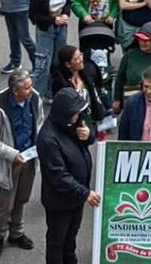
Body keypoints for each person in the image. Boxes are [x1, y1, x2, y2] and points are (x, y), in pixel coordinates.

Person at [0, 69, 44, 260]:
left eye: (31, 85)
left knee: (22, 199)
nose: (32, 90)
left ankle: (16, 233)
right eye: (27, 88)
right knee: (6, 205)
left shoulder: (35, 99)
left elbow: (39, 123)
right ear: (16, 91)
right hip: (10, 163)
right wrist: (12, 154)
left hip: (29, 159)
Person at [36, 89, 99, 264]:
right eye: (75, 113)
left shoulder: (72, 123)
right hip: (60, 203)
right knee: (57, 243)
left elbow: (91, 131)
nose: (78, 116)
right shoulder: (48, 139)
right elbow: (58, 176)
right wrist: (85, 193)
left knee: (70, 239)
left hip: (76, 198)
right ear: (64, 113)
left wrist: (88, 135)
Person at [30, 0, 72, 100]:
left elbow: (68, 2)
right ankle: (36, 97)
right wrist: (53, 20)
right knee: (43, 65)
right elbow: (34, 16)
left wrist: (65, 14)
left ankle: (53, 92)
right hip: (46, 30)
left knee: (58, 62)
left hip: (61, 29)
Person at [112, 21, 151, 112]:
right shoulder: (129, 55)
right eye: (140, 40)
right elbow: (120, 78)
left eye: (146, 41)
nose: (142, 43)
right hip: (131, 100)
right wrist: (117, 99)